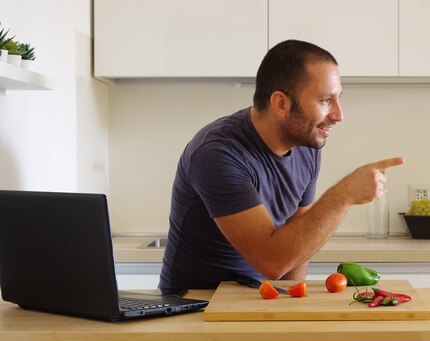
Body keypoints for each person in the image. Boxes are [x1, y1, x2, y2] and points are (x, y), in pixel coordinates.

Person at [159, 39, 404, 290]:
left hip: (256, 296)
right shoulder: (217, 153)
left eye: (338, 98)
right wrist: (344, 195)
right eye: (325, 100)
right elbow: (272, 261)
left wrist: (292, 299)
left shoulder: (306, 142)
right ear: (281, 104)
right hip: (194, 304)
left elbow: (297, 233)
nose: (339, 115)